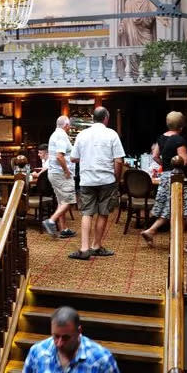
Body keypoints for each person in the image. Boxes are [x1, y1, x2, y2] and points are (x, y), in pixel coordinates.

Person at [68, 107, 125, 260]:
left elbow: (73, 158)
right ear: (106, 118)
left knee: (87, 213)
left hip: (87, 179)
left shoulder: (82, 134)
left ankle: (84, 248)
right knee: (103, 213)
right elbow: (118, 160)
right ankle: (96, 246)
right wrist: (117, 180)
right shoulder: (112, 134)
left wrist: (88, 158)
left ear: (93, 118)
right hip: (107, 180)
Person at [141, 111, 187, 246]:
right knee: (179, 208)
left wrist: (165, 165)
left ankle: (158, 232)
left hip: (164, 176)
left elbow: (155, 156)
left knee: (169, 207)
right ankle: (181, 241)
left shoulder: (161, 137)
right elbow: (184, 161)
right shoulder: (179, 140)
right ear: (181, 126)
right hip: (176, 178)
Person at [42, 116, 77, 239]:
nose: (70, 127)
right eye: (69, 125)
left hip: (54, 173)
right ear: (66, 125)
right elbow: (59, 156)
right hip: (61, 174)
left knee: (62, 201)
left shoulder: (54, 134)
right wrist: (67, 171)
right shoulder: (62, 136)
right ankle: (51, 221)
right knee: (70, 200)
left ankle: (63, 229)